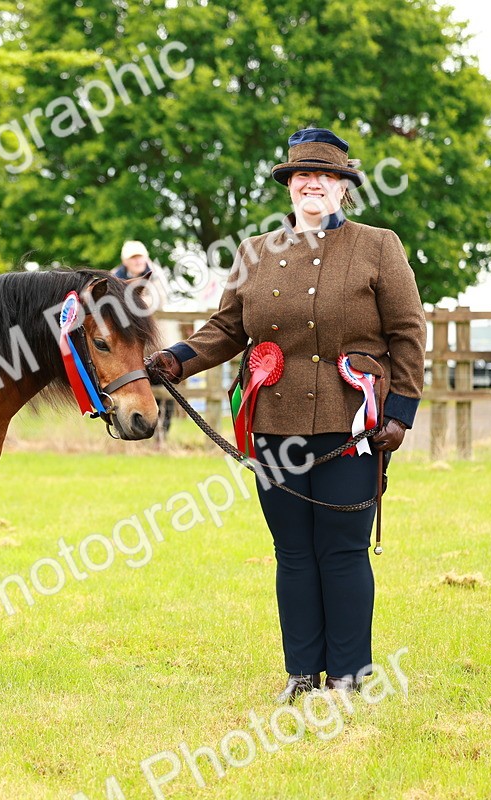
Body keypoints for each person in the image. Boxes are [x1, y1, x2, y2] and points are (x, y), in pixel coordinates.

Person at [146, 127, 427, 702]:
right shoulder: (255, 253)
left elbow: (407, 333)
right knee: (293, 552)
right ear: (290, 187)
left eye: (325, 177)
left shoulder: (380, 246)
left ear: (345, 188)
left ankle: (349, 675)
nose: (312, 185)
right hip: (273, 426)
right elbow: (227, 329)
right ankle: (302, 672)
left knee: (342, 549)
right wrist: (176, 359)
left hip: (355, 428)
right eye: (302, 176)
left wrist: (400, 412)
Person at [115, 241, 180, 438]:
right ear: (125, 261)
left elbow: (158, 302)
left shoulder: (157, 276)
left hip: (160, 341)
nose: (138, 261)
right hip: (134, 345)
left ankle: (163, 433)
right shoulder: (115, 278)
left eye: (140, 257)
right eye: (133, 258)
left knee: (165, 390)